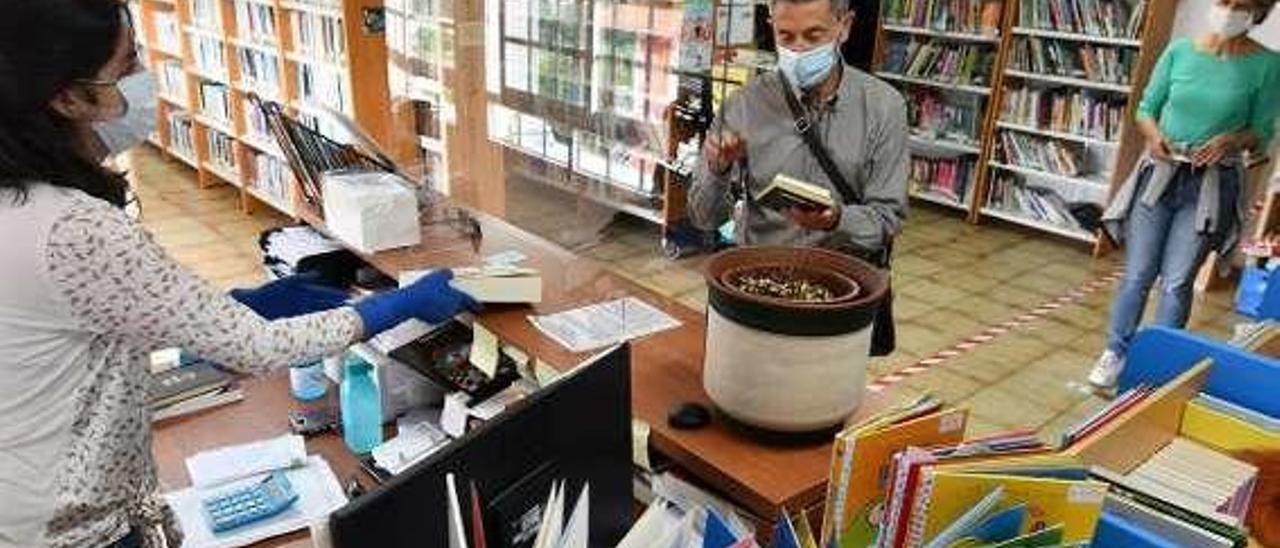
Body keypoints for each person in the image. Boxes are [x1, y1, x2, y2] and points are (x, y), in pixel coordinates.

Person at [0, 2, 477, 547]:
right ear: (66, 97)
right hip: (70, 530)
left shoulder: (23, 202)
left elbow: (105, 312)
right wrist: (394, 305)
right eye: (127, 66)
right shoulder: (74, 228)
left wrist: (252, 301)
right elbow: (255, 350)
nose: (143, 81)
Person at [688, 0, 908, 353]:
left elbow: (888, 219)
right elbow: (703, 217)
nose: (798, 51)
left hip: (839, 302)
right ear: (771, 25)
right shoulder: (743, 106)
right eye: (785, 36)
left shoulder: (884, 108)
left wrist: (838, 219)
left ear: (845, 26)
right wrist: (717, 169)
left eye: (813, 35)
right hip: (757, 294)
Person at [1089, 0, 1280, 388]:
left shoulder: (1267, 65)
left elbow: (1261, 132)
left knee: (1177, 281)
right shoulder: (1179, 51)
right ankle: (1115, 352)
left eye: (1239, 5)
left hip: (1210, 185)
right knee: (1138, 274)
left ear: (1256, 14)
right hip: (1160, 176)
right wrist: (1155, 136)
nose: (1227, 11)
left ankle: (1158, 367)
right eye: (1223, 2)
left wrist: (1231, 139)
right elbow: (1145, 109)